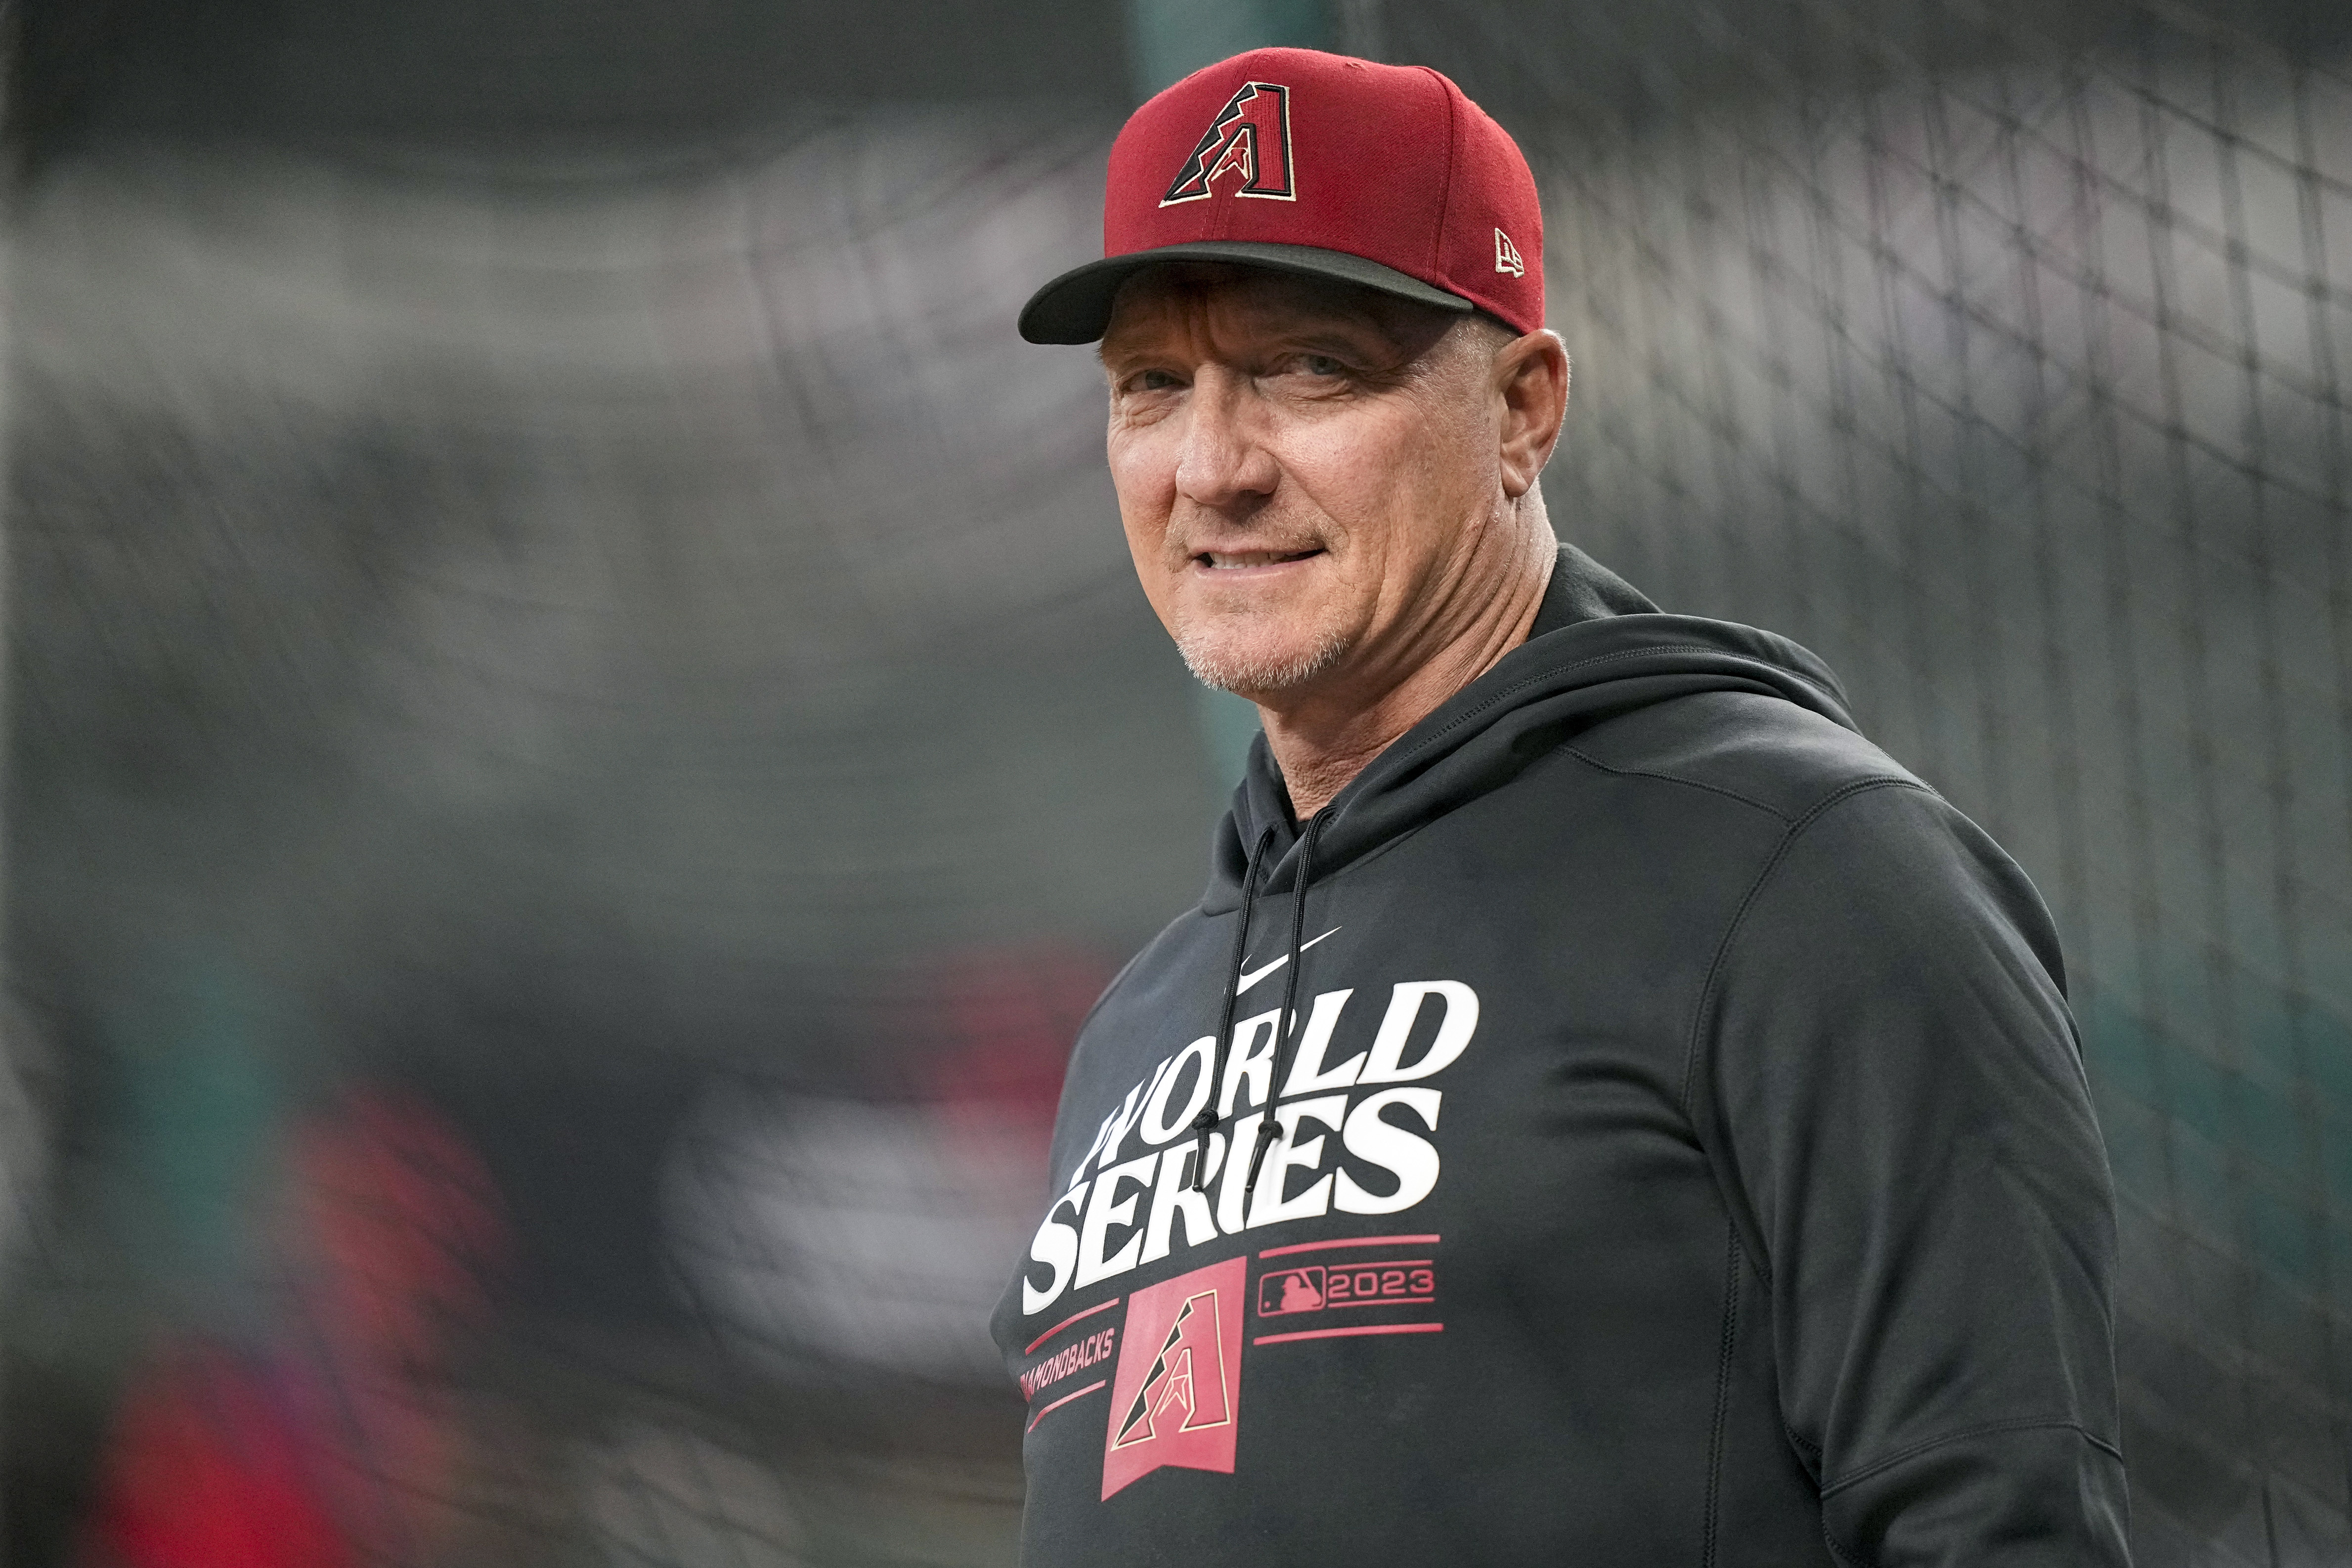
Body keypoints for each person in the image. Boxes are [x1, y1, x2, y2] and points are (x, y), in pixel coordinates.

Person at [990, 46, 2129, 1568]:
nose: (1212, 466)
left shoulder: (1805, 877)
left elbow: (2001, 1524)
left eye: (1309, 368)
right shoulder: (1141, 1029)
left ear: (1524, 410)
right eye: (1152, 387)